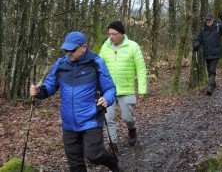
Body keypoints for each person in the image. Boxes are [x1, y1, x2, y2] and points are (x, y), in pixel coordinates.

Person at [29, 31, 119, 172]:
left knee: (94, 155)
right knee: (75, 165)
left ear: (84, 47)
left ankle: (112, 161)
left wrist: (106, 99)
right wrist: (39, 91)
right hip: (69, 123)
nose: (68, 53)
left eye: (72, 50)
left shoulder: (96, 63)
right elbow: (50, 86)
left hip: (91, 118)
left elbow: (110, 89)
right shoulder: (61, 64)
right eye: (66, 50)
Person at [99, 20, 147, 152]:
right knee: (108, 118)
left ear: (121, 34)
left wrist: (142, 89)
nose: (111, 37)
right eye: (109, 34)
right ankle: (113, 143)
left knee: (127, 117)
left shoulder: (133, 46)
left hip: (126, 89)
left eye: (114, 34)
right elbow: (99, 67)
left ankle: (132, 129)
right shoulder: (105, 47)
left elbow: (141, 69)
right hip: (108, 90)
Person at [193, 13, 222, 95]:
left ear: (213, 19)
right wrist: (196, 44)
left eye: (209, 20)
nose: (208, 21)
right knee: (209, 70)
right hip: (207, 53)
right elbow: (198, 39)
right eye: (206, 20)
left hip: (216, 52)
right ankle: (213, 84)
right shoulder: (202, 29)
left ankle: (210, 88)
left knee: (212, 70)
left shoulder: (218, 27)